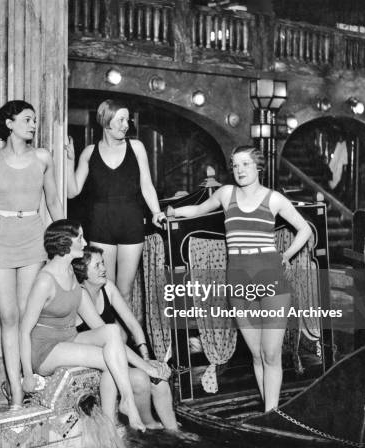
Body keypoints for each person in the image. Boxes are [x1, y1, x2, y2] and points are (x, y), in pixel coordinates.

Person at [167, 145, 312, 412]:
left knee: (271, 354)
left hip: (270, 273)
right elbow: (197, 211)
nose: (240, 170)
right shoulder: (225, 194)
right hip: (238, 277)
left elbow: (304, 229)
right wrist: (171, 212)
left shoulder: (274, 199)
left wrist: (287, 254)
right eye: (235, 165)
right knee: (257, 354)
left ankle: (271, 413)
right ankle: (268, 411)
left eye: (245, 164)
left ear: (258, 167)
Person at [0, 100, 65, 408]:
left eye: (34, 120)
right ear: (10, 123)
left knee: (25, 317)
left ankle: (24, 380)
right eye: (27, 119)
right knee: (9, 317)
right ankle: (16, 396)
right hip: (0, 239)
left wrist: (65, 243)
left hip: (33, 237)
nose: (33, 124)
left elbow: (55, 203)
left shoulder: (43, 157)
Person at [20, 219, 165, 431]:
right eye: (80, 238)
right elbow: (24, 331)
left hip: (68, 338)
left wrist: (146, 367)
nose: (85, 241)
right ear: (65, 243)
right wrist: (27, 375)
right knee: (110, 362)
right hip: (44, 349)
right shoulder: (45, 280)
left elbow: (103, 331)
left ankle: (119, 414)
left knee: (112, 331)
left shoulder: (72, 275)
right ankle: (117, 418)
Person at [66, 99, 164, 305]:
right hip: (101, 224)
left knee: (124, 291)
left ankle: (123, 337)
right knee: (105, 289)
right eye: (120, 120)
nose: (126, 125)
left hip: (131, 223)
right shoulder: (89, 152)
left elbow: (146, 184)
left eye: (127, 120)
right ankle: (108, 336)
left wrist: (156, 212)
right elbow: (72, 191)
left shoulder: (136, 147)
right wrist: (69, 160)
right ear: (105, 120)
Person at [73, 246, 178, 430]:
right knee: (140, 378)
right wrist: (146, 367)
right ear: (83, 272)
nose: (103, 269)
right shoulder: (81, 295)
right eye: (97, 266)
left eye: (103, 263)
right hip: (95, 360)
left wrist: (147, 359)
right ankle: (148, 425)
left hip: (116, 355)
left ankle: (173, 432)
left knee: (159, 380)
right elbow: (109, 337)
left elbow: (132, 324)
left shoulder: (107, 287)